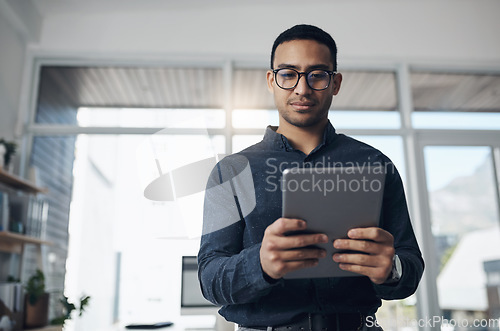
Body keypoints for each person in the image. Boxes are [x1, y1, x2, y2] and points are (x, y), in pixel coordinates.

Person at [198, 24, 424, 331]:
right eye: (288, 74)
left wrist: (392, 268)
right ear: (271, 80)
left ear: (335, 83)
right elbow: (209, 280)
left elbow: (409, 266)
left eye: (317, 74)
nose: (302, 89)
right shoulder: (231, 172)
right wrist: (260, 264)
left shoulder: (375, 164)